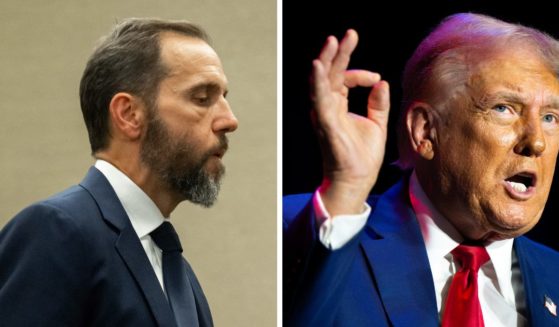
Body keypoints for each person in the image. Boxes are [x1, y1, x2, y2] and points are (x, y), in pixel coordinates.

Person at [284, 13, 559, 326]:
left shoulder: (555, 276)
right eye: (503, 108)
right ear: (426, 131)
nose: (536, 142)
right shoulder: (304, 233)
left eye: (550, 117)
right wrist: (347, 187)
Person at [0, 18, 238, 326]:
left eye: (224, 98)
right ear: (129, 115)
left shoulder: (179, 272)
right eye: (202, 98)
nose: (229, 120)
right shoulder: (55, 232)